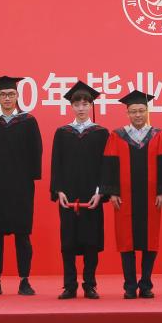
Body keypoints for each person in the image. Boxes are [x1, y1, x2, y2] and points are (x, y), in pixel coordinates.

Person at [0, 75, 43, 296]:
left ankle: (25, 280)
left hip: (21, 187)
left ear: (17, 96)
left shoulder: (28, 121)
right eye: (3, 94)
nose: (7, 98)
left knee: (22, 235)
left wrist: (31, 177)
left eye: (11, 94)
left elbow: (36, 151)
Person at [102, 90, 162, 299]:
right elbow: (110, 165)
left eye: (141, 110)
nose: (138, 115)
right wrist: (112, 192)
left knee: (151, 239)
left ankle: (146, 284)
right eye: (133, 111)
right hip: (124, 196)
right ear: (127, 113)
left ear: (147, 111)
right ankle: (130, 286)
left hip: (151, 196)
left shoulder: (158, 135)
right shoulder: (117, 135)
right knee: (126, 240)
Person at [50, 81, 110, 300]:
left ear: (91, 105)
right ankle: (69, 285)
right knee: (68, 243)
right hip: (68, 196)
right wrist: (58, 190)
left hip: (92, 195)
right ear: (71, 106)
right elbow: (56, 164)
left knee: (91, 242)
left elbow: (106, 166)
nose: (81, 108)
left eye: (85, 104)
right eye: (77, 104)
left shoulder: (101, 133)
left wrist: (100, 192)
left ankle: (89, 284)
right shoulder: (62, 133)